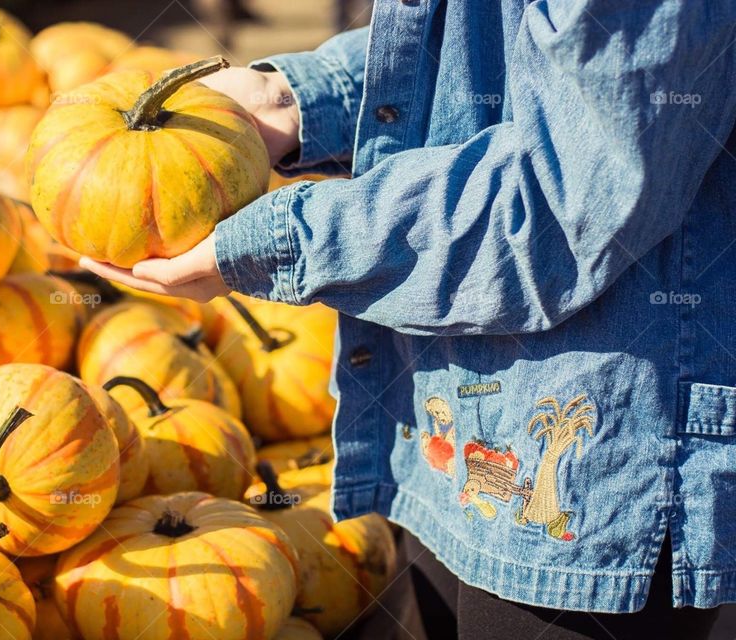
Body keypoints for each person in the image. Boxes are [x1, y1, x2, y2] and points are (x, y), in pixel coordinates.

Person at [80, 2, 736, 637]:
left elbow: (556, 209)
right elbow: (484, 43)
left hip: (599, 483)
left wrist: (285, 243)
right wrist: (293, 99)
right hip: (457, 432)